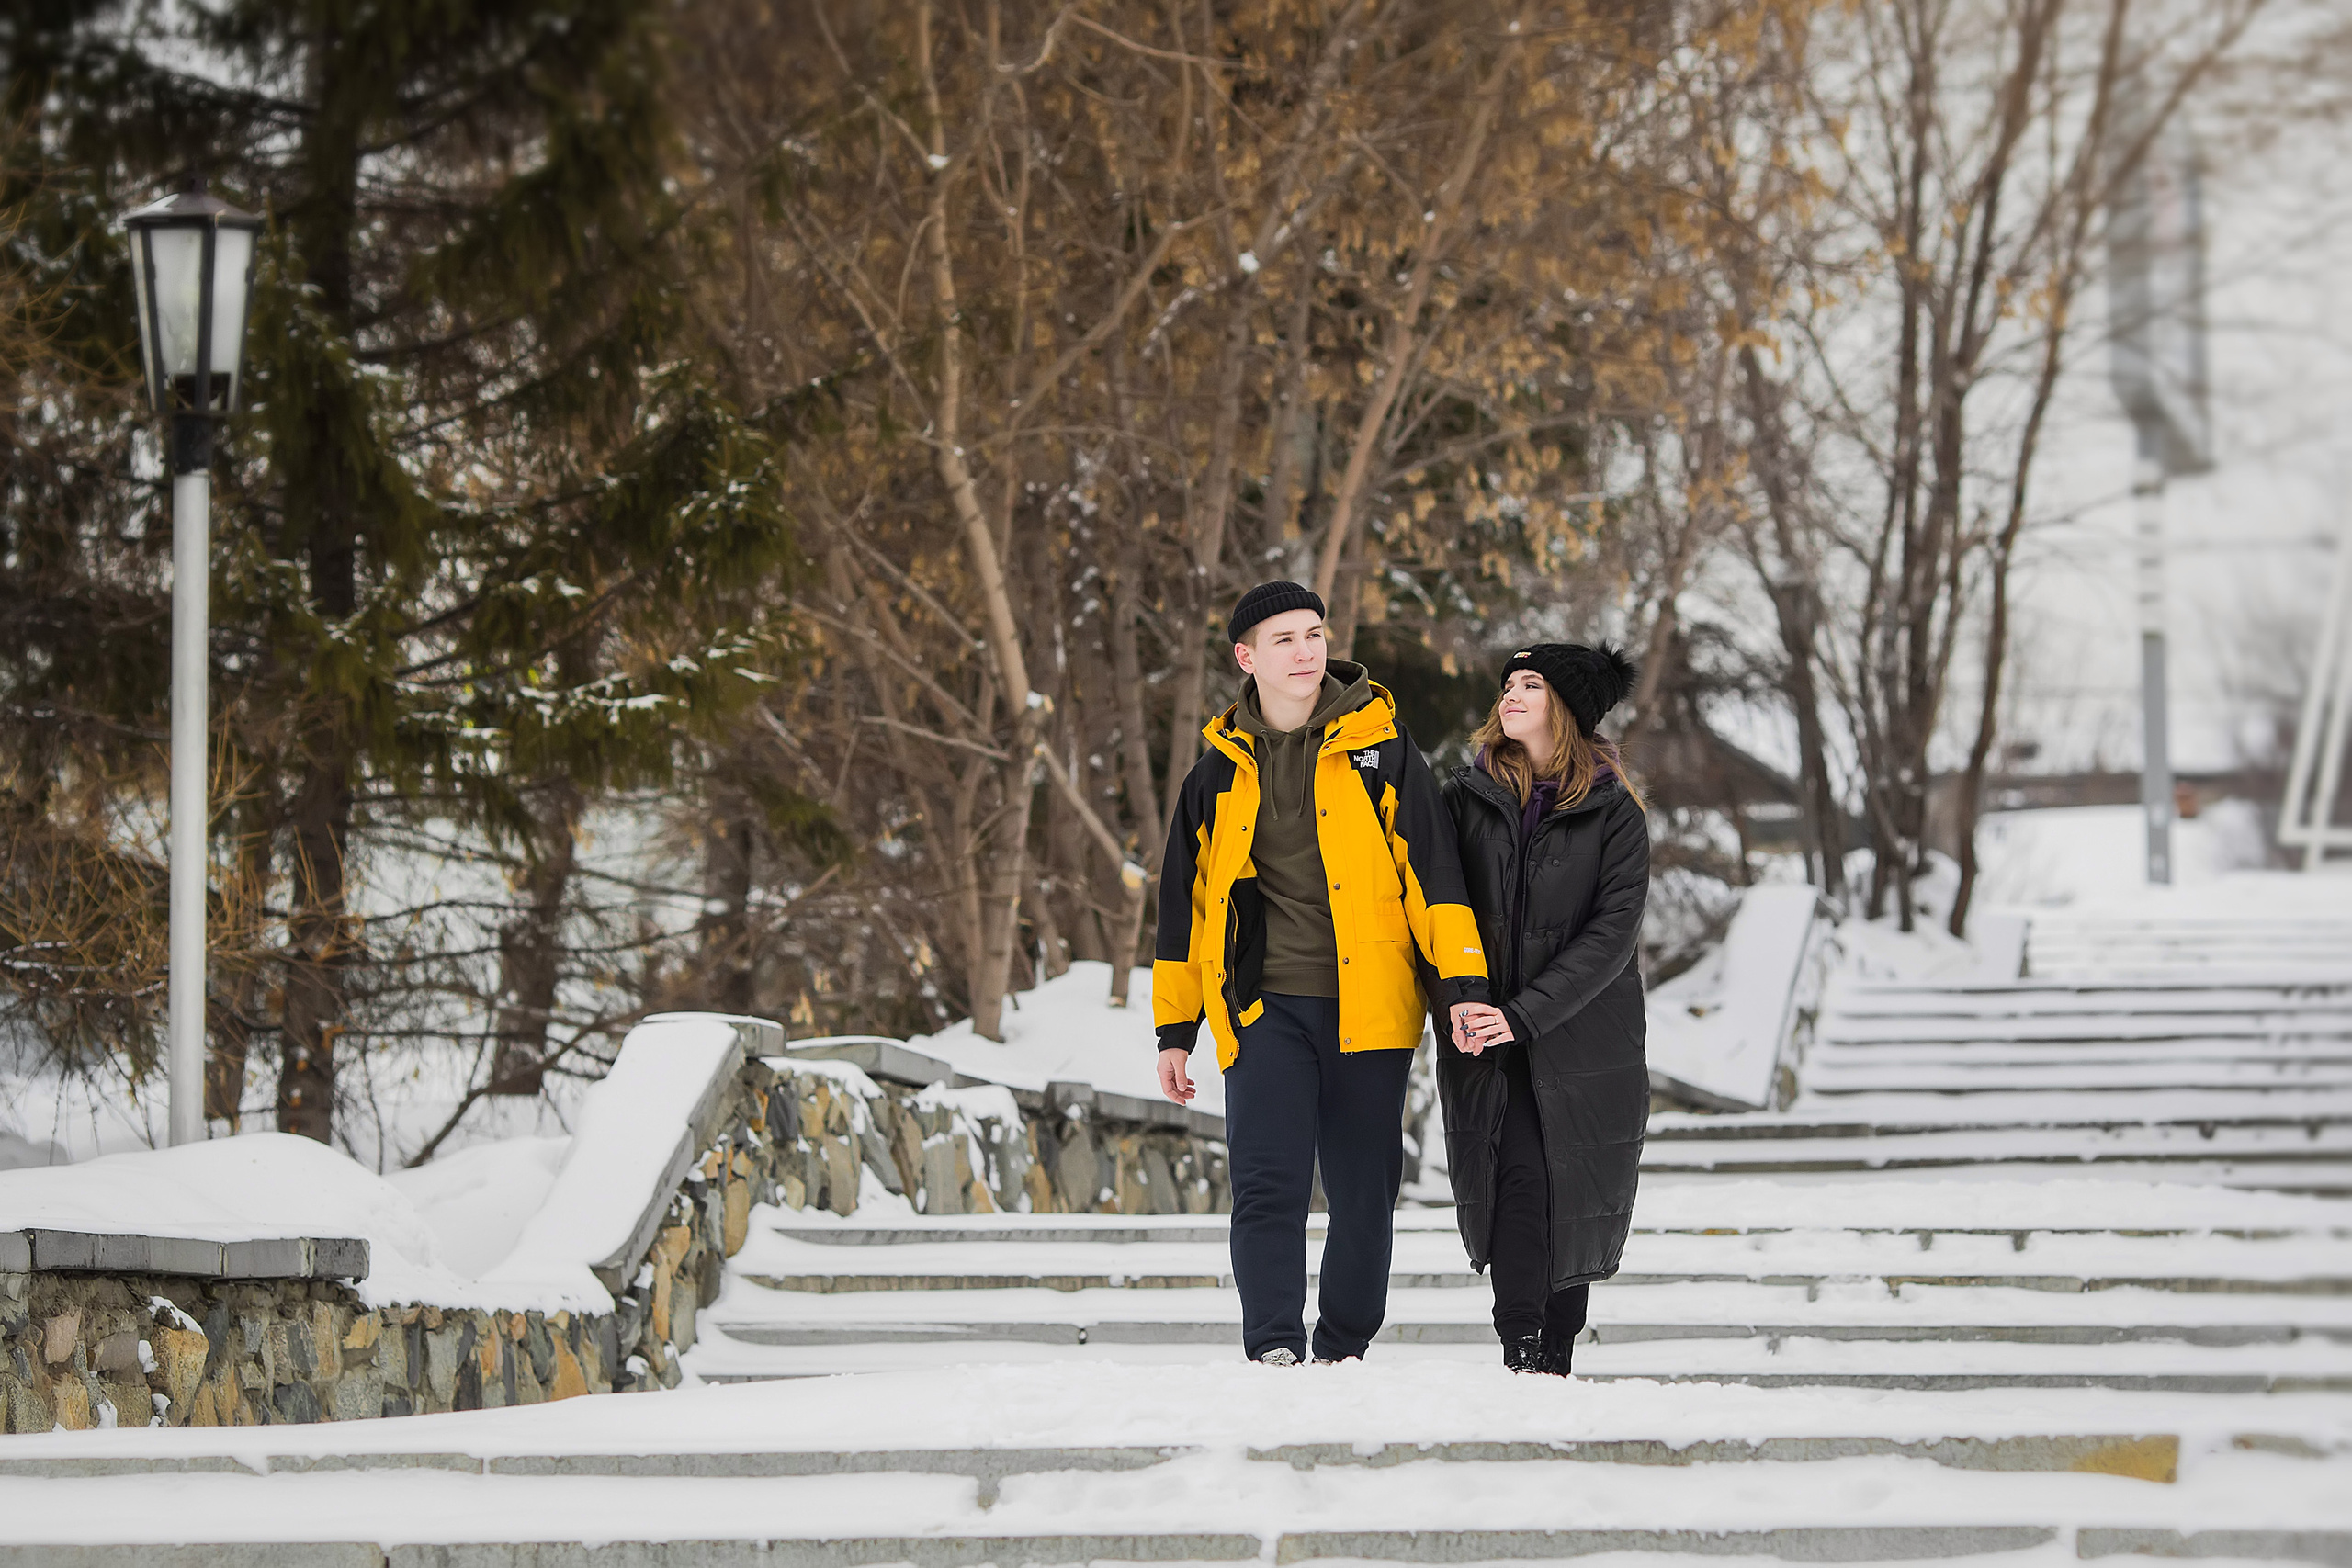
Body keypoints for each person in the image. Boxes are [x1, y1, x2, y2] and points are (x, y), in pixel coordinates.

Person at [1154, 581, 1494, 1367]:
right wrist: (1176, 1029)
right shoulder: (1214, 777)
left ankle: (1343, 1345)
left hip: (1368, 1006)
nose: (1306, 650)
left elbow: (1432, 877)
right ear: (1247, 658)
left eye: (1314, 633)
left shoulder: (1382, 751)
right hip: (1261, 1008)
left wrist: (1464, 986)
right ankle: (1273, 1340)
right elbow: (1185, 910)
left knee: (1362, 1198)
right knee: (1267, 1185)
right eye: (1285, 639)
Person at [1438, 643, 1652, 1376]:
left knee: (1572, 1180)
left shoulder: (1614, 809)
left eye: (1531, 683)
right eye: (1508, 682)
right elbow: (1440, 905)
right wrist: (1467, 1003)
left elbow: (1613, 932)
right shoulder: (1462, 797)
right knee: (1515, 1177)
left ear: (1565, 708)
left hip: (1585, 1032)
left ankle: (1556, 1342)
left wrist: (1525, 1012)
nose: (1511, 693)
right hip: (1487, 1032)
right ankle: (1521, 1341)